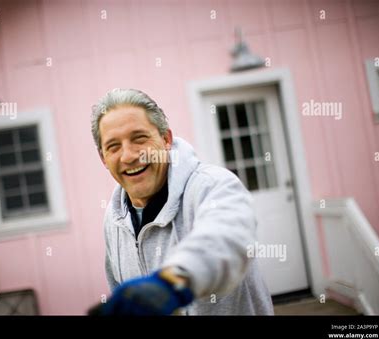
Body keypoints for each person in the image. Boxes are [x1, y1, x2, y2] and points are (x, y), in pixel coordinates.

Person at [89, 88, 273, 315]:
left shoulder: (213, 185)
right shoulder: (114, 218)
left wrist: (171, 284)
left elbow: (227, 240)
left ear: (166, 139)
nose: (128, 155)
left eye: (139, 138)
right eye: (113, 146)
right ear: (103, 158)